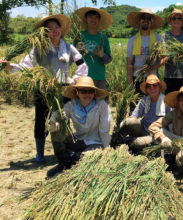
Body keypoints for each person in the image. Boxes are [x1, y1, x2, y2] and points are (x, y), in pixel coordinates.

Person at [0, 14, 88, 163]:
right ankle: (40, 153)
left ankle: (66, 149)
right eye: (50, 29)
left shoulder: (68, 48)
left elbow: (82, 65)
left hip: (63, 89)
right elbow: (25, 67)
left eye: (57, 27)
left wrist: (73, 81)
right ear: (44, 32)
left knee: (64, 120)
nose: (54, 31)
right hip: (43, 90)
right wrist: (9, 66)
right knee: (41, 121)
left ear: (61, 29)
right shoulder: (38, 50)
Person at [46, 76, 111, 178]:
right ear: (77, 92)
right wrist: (53, 119)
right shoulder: (70, 106)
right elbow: (54, 125)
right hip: (79, 139)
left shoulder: (102, 106)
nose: (87, 94)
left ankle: (68, 167)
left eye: (90, 91)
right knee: (56, 131)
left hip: (95, 142)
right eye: (83, 91)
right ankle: (64, 162)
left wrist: (107, 150)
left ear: (94, 93)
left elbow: (104, 130)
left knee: (85, 159)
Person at [111, 74, 170, 151]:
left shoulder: (166, 102)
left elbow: (171, 120)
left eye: (155, 85)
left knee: (137, 143)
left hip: (156, 133)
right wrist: (122, 124)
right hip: (143, 128)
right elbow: (134, 116)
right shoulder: (144, 101)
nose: (152, 88)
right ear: (146, 89)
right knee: (129, 122)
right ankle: (117, 139)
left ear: (159, 87)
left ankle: (127, 141)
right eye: (149, 86)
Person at [126, 8, 164, 93]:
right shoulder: (132, 40)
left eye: (148, 18)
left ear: (151, 21)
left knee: (151, 104)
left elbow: (163, 58)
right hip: (137, 78)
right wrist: (130, 82)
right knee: (136, 105)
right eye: (143, 17)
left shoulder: (158, 39)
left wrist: (152, 68)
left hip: (153, 79)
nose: (146, 20)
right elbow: (129, 62)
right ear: (139, 20)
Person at [74, 7, 113, 90]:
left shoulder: (103, 38)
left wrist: (102, 55)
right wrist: (78, 52)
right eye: (91, 17)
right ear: (86, 18)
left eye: (96, 17)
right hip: (83, 78)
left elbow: (109, 59)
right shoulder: (79, 37)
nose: (93, 19)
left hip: (100, 78)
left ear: (99, 20)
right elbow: (72, 58)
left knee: (100, 102)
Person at [162, 8, 183, 94]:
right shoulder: (164, 36)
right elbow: (162, 55)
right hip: (169, 77)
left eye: (179, 18)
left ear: (182, 21)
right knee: (169, 104)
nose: (176, 20)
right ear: (170, 21)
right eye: (174, 18)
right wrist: (171, 55)